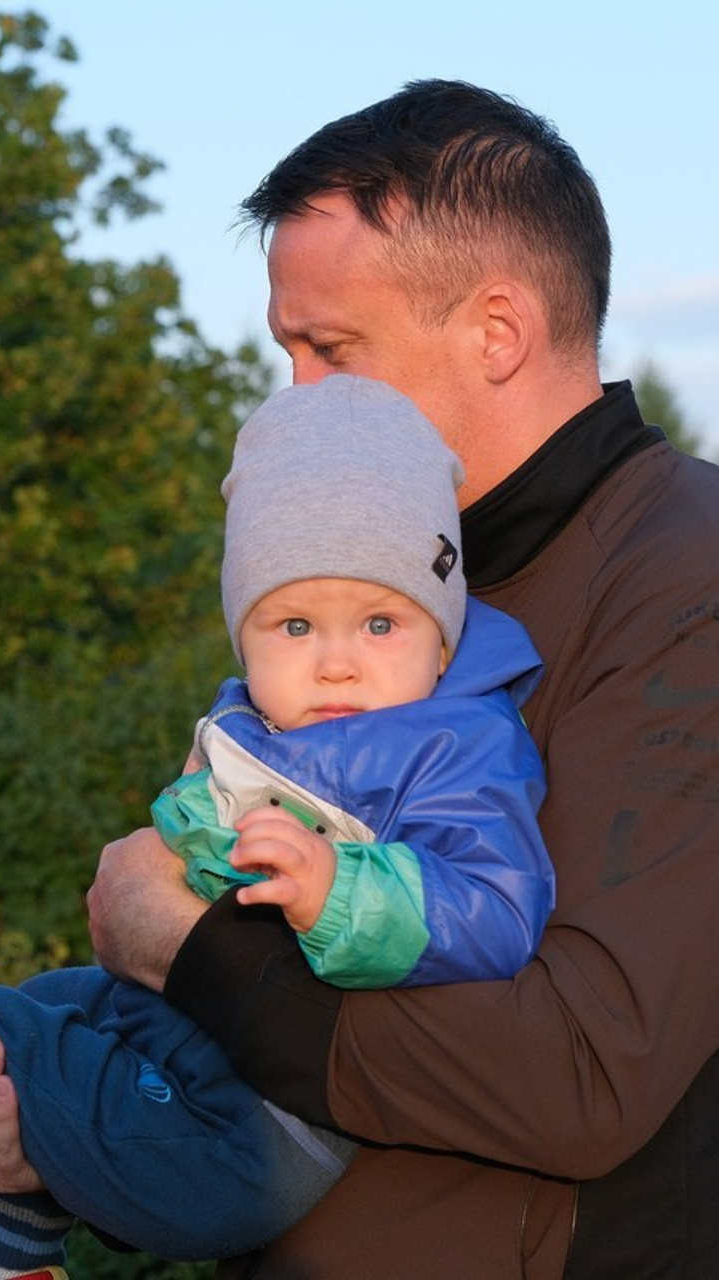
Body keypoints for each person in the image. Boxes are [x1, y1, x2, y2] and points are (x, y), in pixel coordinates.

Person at [0, 374, 554, 1279]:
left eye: (379, 623)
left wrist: (339, 894)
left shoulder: (456, 745)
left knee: (40, 1053)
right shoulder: (259, 728)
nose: (335, 665)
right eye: (293, 625)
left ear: (441, 636)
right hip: (210, 1036)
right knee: (53, 1004)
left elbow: (495, 906)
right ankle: (1, 1255)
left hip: (277, 1132)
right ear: (243, 637)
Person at [70, 80, 719, 1276]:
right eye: (286, 352)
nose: (296, 399)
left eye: (330, 351)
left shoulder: (687, 579)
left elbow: (582, 1070)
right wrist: (62, 1118)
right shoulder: (373, 581)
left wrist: (189, 948)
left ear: (494, 330)